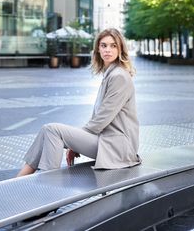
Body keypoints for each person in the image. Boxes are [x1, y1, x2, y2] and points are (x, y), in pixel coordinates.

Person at [17, 28, 141, 177]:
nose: (108, 50)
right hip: (107, 141)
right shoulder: (111, 74)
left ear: (120, 48)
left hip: (117, 147)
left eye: (113, 45)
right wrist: (74, 142)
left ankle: (48, 185)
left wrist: (74, 144)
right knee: (46, 131)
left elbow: (101, 120)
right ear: (98, 49)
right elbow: (99, 118)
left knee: (52, 130)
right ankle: (20, 180)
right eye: (104, 45)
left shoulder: (119, 76)